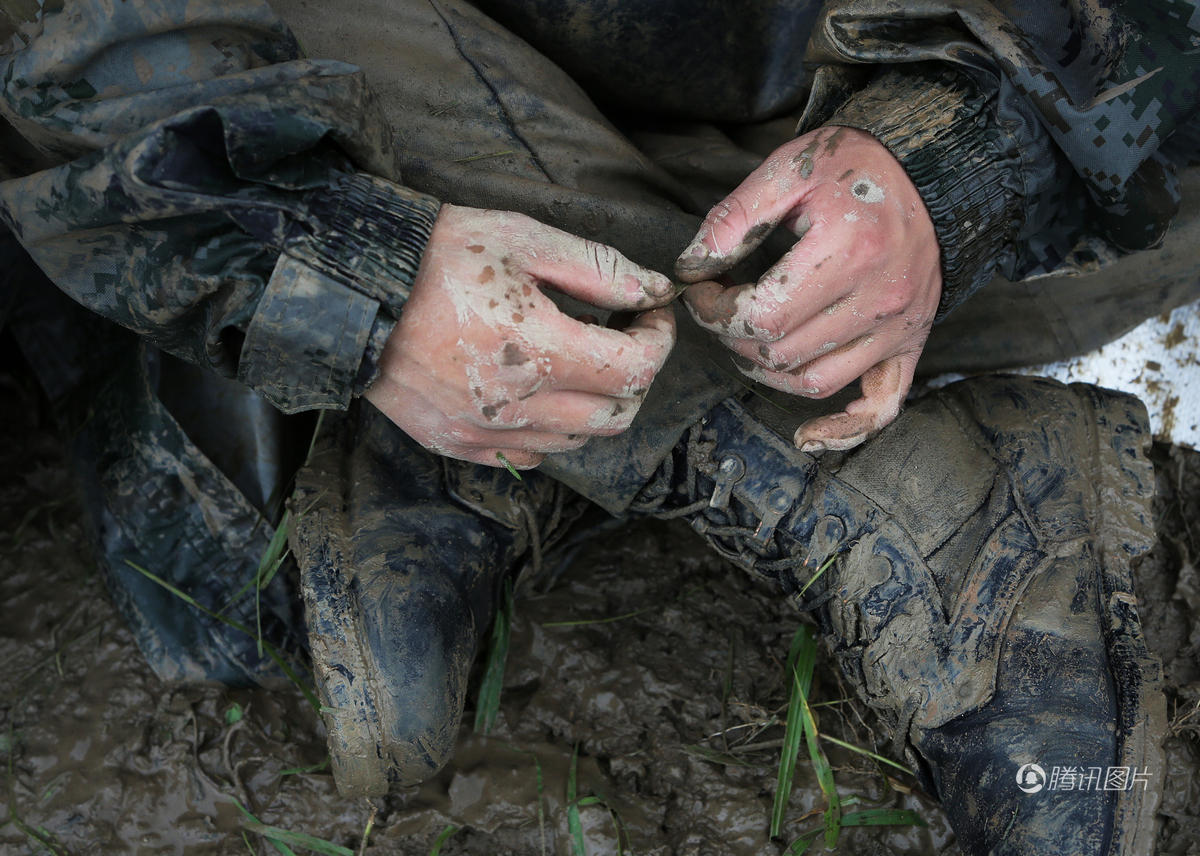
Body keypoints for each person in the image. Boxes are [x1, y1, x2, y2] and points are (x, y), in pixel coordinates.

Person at [2, 0, 1197, 852]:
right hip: (370, 59)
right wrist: (356, 267)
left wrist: (962, 155)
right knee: (216, 565)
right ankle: (831, 469)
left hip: (909, 87)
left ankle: (574, 398)